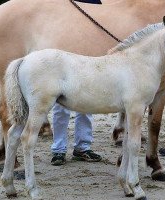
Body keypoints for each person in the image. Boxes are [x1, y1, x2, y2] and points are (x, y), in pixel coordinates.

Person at [50, 0, 103, 166]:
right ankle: (59, 149)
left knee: (86, 104)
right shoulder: (62, 5)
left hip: (87, 58)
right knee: (60, 106)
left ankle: (82, 147)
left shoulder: (96, 3)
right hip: (63, 58)